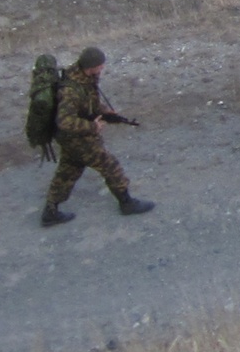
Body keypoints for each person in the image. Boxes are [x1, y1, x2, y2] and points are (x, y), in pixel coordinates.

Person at [41, 47, 157, 224]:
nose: (102, 68)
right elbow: (64, 122)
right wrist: (92, 126)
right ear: (91, 66)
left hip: (71, 141)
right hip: (77, 139)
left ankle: (50, 211)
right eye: (100, 65)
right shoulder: (70, 90)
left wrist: (105, 112)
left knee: (68, 171)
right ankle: (126, 203)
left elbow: (88, 104)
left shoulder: (84, 78)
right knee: (110, 166)